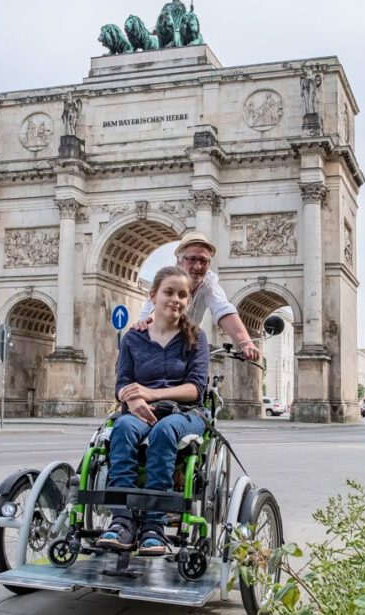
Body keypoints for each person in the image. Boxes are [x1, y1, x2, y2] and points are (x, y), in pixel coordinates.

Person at [97, 266, 210, 555]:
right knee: (121, 427)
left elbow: (196, 389)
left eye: (183, 294)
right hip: (140, 410)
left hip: (185, 413)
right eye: (169, 292)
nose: (176, 299)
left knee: (164, 430)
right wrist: (131, 399)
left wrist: (150, 393)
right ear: (153, 295)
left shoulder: (196, 338)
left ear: (188, 300)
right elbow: (122, 382)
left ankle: (153, 525)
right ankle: (122, 521)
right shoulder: (133, 338)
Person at [133, 231, 260, 361]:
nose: (198, 266)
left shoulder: (209, 281)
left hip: (187, 345)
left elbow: (223, 309)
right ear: (179, 260)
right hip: (155, 344)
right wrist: (146, 323)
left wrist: (246, 343)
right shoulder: (165, 279)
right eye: (192, 259)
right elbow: (155, 312)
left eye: (203, 261)